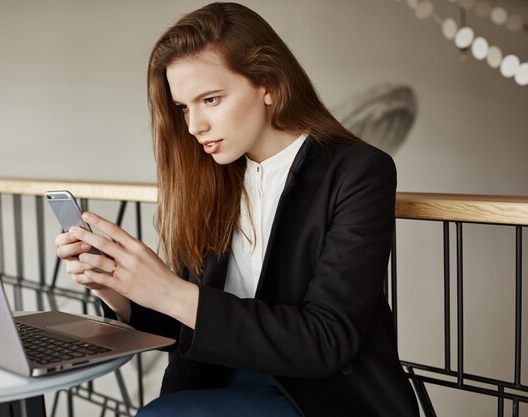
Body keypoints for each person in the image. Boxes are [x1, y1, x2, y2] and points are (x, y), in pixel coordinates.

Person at [55, 2, 419, 416]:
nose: (194, 126)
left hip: (317, 397)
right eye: (184, 107)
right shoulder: (217, 177)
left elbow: (325, 341)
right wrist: (117, 288)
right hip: (215, 378)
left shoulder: (358, 171)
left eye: (211, 99)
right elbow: (188, 324)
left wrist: (171, 291)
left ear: (269, 84)